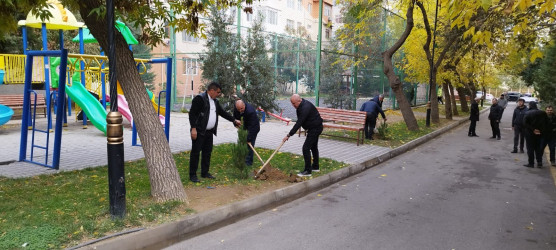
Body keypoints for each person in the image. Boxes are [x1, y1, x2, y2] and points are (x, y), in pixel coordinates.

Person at [189, 82, 241, 182]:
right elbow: (192, 114)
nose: (219, 94)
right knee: (195, 153)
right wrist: (193, 128)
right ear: (212, 90)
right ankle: (193, 175)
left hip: (209, 132)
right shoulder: (199, 99)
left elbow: (222, 113)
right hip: (199, 131)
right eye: (218, 92)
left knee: (207, 152)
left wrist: (234, 120)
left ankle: (205, 173)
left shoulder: (215, 101)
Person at [282, 94, 323, 177]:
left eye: (294, 103)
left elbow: (299, 122)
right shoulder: (300, 106)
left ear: (299, 100)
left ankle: (308, 171)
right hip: (314, 127)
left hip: (315, 128)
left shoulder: (305, 107)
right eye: (292, 103)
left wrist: (289, 135)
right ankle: (315, 166)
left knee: (306, 148)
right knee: (313, 147)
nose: (293, 105)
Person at [233, 99, 260, 166]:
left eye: (241, 108)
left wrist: (248, 138)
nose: (240, 110)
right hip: (244, 126)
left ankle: (248, 162)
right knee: (242, 143)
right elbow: (235, 117)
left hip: (253, 128)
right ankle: (242, 158)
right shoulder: (237, 108)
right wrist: (236, 124)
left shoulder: (250, 111)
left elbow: (252, 127)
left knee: (249, 145)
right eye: (238, 109)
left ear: (244, 105)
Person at [523, 101, 548, 168]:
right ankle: (539, 162)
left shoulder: (527, 113)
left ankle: (531, 163)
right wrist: (541, 130)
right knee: (538, 148)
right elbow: (546, 123)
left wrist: (533, 129)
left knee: (530, 148)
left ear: (530, 105)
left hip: (530, 133)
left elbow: (525, 123)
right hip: (540, 133)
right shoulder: (543, 113)